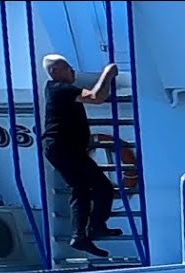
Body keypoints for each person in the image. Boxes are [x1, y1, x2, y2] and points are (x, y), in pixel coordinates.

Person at [40, 54, 123, 258]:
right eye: (68, 68)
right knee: (100, 187)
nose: (73, 72)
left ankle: (86, 232)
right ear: (56, 71)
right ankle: (91, 229)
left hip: (64, 148)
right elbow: (96, 97)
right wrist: (108, 73)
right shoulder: (59, 88)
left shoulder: (59, 90)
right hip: (62, 147)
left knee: (82, 189)